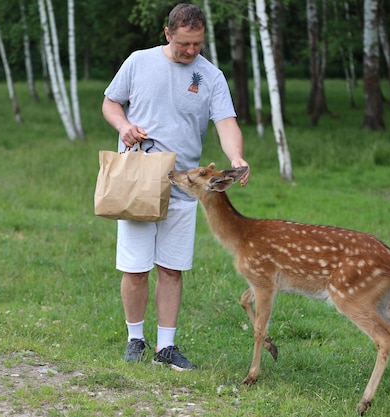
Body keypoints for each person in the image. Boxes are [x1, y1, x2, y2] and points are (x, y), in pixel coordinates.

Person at [102, 3, 249, 371]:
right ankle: (135, 339)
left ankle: (165, 348)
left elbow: (226, 121)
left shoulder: (210, 76)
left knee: (171, 268)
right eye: (184, 43)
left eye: (197, 44)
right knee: (135, 268)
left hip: (186, 185)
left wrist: (238, 157)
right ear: (167, 34)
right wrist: (123, 127)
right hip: (139, 179)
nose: (191, 51)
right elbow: (110, 103)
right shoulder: (139, 61)